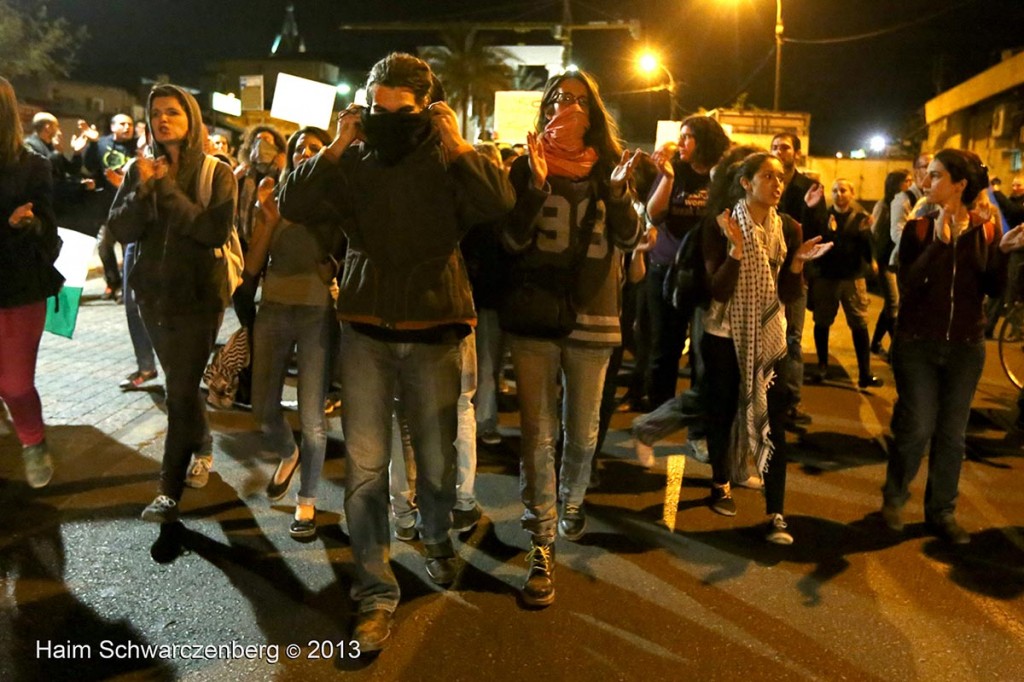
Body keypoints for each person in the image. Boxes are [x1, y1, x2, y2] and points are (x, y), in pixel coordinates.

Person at [277, 52, 514, 651]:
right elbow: (294, 203)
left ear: (425, 108)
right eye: (373, 106)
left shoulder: (449, 155)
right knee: (363, 471)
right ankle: (376, 592)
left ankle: (435, 536)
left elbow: (499, 204)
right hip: (365, 329)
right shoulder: (352, 155)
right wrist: (336, 143)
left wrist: (457, 142)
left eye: (397, 110)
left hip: (435, 328)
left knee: (435, 466)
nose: (383, 119)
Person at [500, 70, 640, 606]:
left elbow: (628, 239)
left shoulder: (611, 168)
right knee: (538, 435)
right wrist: (533, 188)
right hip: (536, 314)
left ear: (596, 111)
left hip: (594, 316)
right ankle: (541, 540)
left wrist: (621, 195)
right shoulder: (525, 165)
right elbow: (511, 240)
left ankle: (572, 498)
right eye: (560, 99)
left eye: (581, 100)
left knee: (581, 436)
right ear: (546, 108)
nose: (570, 108)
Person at [107, 84, 237, 523]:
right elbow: (121, 229)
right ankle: (201, 442)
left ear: (191, 119)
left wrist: (166, 192)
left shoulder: (216, 172)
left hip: (199, 299)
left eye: (173, 113)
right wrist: (141, 188)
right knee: (179, 385)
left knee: (179, 389)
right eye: (157, 113)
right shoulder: (139, 168)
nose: (164, 120)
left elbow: (210, 232)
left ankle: (167, 490)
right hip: (152, 298)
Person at [702, 151, 830, 543]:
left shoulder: (787, 229)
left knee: (774, 422)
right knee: (722, 412)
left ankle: (777, 511)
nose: (778, 184)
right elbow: (717, 289)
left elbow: (789, 294)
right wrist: (736, 251)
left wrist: (796, 265)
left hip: (768, 337)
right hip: (724, 335)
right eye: (767, 177)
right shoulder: (720, 225)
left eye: (780, 178)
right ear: (745, 182)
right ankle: (721, 482)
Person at [881, 149, 1007, 545]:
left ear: (959, 184)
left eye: (935, 175)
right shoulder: (918, 228)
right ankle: (895, 496)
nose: (926, 181)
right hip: (917, 343)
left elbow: (994, 289)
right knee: (917, 426)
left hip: (966, 347)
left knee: (952, 434)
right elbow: (909, 284)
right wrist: (938, 244)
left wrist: (1004, 253)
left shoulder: (986, 230)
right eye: (927, 174)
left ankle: (941, 512)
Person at [246, 126, 338, 538]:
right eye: (299, 148)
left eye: (315, 149)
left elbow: (340, 260)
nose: (306, 153)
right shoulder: (275, 201)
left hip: (316, 313)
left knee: (312, 416)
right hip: (274, 310)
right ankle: (289, 452)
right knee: (263, 411)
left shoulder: (335, 203)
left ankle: (307, 502)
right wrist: (266, 220)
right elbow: (252, 264)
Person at [0, 76, 64, 489]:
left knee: (15, 383)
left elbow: (50, 232)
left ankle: (33, 440)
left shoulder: (31, 164)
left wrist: (27, 224)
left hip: (18, 288)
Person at [644, 116, 730, 413]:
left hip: (706, 273)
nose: (681, 143)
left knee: (703, 349)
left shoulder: (722, 176)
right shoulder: (674, 171)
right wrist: (667, 179)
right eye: (680, 137)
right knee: (664, 348)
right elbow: (654, 215)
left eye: (688, 137)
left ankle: (699, 416)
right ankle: (659, 413)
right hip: (666, 269)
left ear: (705, 142)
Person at [804, 179, 883, 388]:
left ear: (852, 193)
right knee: (822, 322)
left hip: (852, 278)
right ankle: (822, 366)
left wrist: (872, 256)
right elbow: (816, 238)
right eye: (835, 191)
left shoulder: (860, 218)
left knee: (859, 323)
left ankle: (864, 372)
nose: (839, 194)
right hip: (826, 277)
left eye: (844, 190)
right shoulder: (824, 216)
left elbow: (868, 246)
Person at [770, 132, 826, 428]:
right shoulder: (764, 178)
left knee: (792, 338)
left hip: (795, 272)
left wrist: (813, 207)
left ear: (797, 153)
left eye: (785, 147)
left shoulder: (809, 187)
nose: (780, 151)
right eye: (775, 147)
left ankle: (790, 401)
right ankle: (761, 396)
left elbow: (820, 234)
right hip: (765, 270)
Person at [82, 113, 138, 301]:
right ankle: (112, 282)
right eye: (122, 124)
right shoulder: (101, 143)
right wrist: (92, 144)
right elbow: (89, 165)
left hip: (129, 207)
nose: (127, 127)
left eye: (130, 124)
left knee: (127, 249)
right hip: (106, 206)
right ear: (113, 127)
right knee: (105, 246)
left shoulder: (136, 146)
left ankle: (125, 287)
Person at [870, 169, 913, 357]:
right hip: (884, 260)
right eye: (907, 181)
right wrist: (872, 258)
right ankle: (897, 350)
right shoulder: (884, 204)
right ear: (896, 184)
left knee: (891, 304)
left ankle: (876, 342)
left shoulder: (908, 203)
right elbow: (873, 233)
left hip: (898, 261)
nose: (910, 184)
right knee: (894, 303)